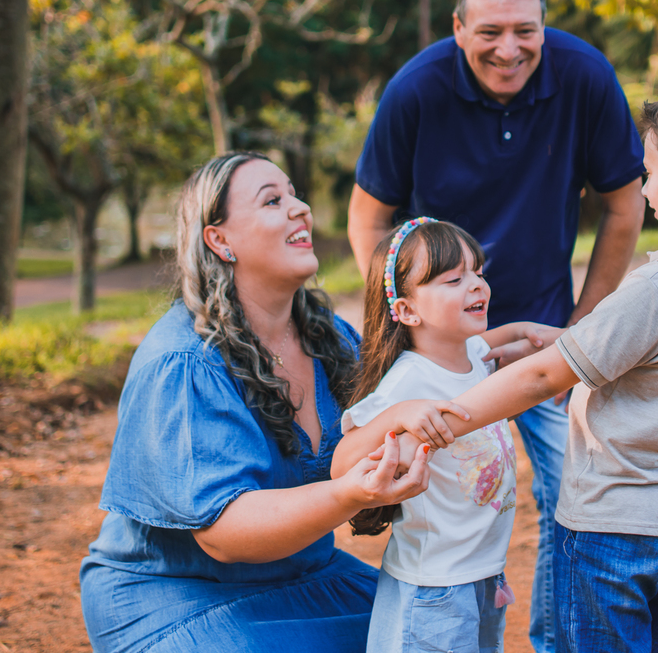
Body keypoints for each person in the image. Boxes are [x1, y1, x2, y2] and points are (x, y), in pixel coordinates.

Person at [338, 75, 658, 653]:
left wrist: (447, 415)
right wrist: (560, 337)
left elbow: (547, 376)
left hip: (608, 523)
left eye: (651, 172)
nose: (644, 190)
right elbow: (650, 349)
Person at [348, 0, 646, 653]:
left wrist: (579, 328)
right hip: (441, 345)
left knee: (577, 495)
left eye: (525, 30)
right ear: (458, 27)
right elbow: (368, 217)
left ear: (544, 24)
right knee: (444, 490)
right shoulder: (416, 90)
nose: (509, 50)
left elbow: (626, 209)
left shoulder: (585, 77)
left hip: (534, 338)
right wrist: (402, 313)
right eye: (490, 32)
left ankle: (553, 640)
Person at [80, 153, 455, 653]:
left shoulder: (331, 340)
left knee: (432, 635)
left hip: (307, 576)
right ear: (220, 239)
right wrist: (351, 492)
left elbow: (419, 392)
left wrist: (491, 354)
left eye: (294, 194)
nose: (300, 209)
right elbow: (226, 534)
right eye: (273, 201)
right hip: (178, 598)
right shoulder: (185, 362)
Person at [331, 218, 553, 653]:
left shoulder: (471, 352)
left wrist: (522, 332)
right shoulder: (405, 383)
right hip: (433, 587)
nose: (476, 285)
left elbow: (490, 344)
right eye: (454, 279)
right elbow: (342, 465)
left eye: (479, 272)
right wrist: (396, 415)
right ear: (408, 311)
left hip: (483, 572)